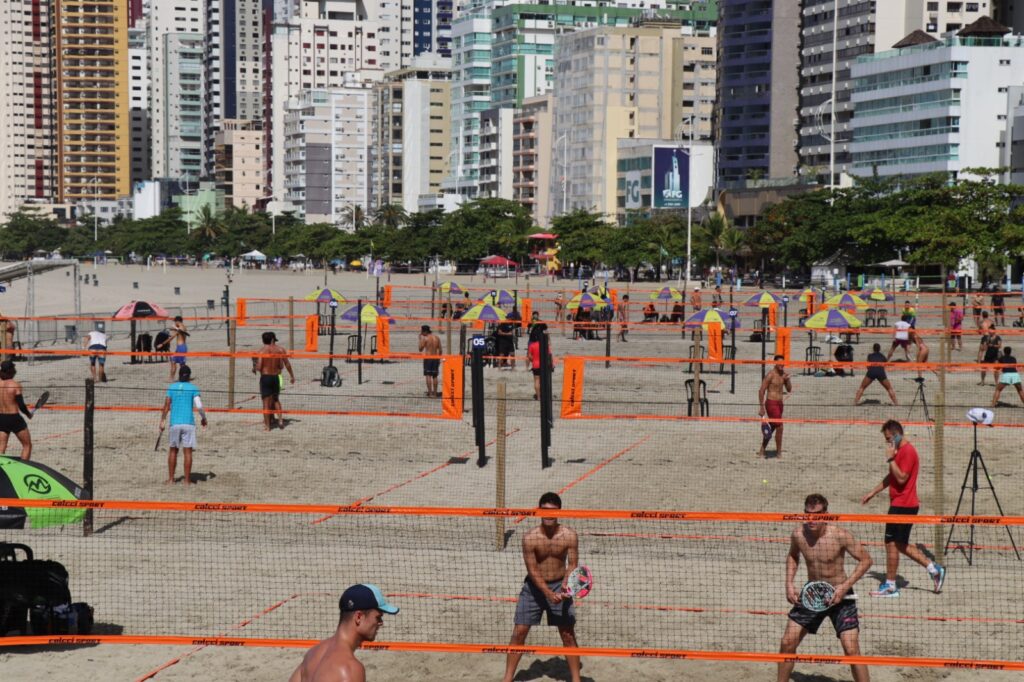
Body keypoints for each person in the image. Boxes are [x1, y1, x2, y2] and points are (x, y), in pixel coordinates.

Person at [777, 493, 873, 682]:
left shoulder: (839, 535)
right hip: (813, 594)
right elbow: (793, 556)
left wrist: (844, 587)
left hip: (841, 595)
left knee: (851, 648)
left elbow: (866, 560)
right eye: (807, 514)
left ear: (826, 514)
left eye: (817, 514)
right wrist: (789, 583)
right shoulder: (798, 534)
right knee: (787, 642)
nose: (811, 519)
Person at [861, 420, 945, 598]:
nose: (888, 443)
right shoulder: (900, 451)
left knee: (891, 544)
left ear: (898, 434)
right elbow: (892, 476)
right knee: (900, 544)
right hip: (902, 504)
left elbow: (901, 478)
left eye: (889, 439)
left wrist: (890, 458)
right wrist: (873, 492)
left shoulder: (907, 451)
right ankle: (934, 569)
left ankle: (891, 586)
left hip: (903, 505)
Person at [502, 492, 581, 682]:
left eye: (552, 511)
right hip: (534, 589)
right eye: (544, 510)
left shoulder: (569, 536)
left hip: (560, 586)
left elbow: (572, 565)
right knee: (519, 632)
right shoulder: (530, 538)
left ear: (559, 512)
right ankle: (507, 678)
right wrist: (547, 592)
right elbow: (532, 569)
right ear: (538, 511)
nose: (548, 514)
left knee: (568, 635)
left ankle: (576, 679)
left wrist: (565, 585)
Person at [289, 584, 399, 682]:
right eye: (378, 617)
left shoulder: (313, 653)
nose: (381, 623)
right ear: (359, 617)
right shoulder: (349, 669)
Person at [158, 364, 207, 485]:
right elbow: (199, 406)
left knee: (173, 450)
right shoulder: (193, 388)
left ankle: (171, 479)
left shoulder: (172, 387)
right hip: (188, 423)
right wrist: (203, 418)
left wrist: (162, 421)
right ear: (189, 376)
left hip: (175, 423)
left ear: (179, 375)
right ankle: (186, 480)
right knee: (188, 452)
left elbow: (166, 405)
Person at [253, 331, 295, 430]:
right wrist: (292, 376)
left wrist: (254, 367)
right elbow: (286, 364)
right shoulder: (280, 350)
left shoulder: (261, 351)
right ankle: (280, 420)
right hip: (276, 377)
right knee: (276, 399)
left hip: (266, 377)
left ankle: (267, 426)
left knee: (266, 403)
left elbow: (259, 367)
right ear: (272, 340)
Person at [758, 354, 792, 458]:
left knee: (772, 427)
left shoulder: (783, 375)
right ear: (775, 363)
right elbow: (761, 390)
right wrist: (762, 407)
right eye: (780, 363)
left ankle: (762, 450)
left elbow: (789, 389)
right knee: (780, 427)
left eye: (783, 363)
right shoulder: (770, 375)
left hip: (780, 404)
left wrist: (787, 380)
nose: (782, 365)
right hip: (771, 403)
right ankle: (779, 452)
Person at [0, 360, 34, 460]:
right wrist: (28, 414)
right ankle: (24, 467)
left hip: (1, 417)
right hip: (14, 418)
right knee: (27, 445)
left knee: (1, 448)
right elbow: (21, 406)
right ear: (11, 371)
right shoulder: (15, 385)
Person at [527, 324, 552, 400]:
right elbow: (549, 355)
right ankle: (544, 395)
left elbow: (529, 357)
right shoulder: (544, 345)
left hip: (535, 364)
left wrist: (533, 360)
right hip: (544, 364)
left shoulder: (532, 345)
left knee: (536, 381)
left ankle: (538, 397)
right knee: (544, 381)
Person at [418, 325, 442, 398]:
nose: (421, 333)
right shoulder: (437, 337)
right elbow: (440, 350)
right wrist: (438, 359)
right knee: (435, 376)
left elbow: (420, 349)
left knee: (428, 375)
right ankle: (435, 393)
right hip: (435, 358)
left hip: (428, 358)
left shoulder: (425, 338)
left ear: (425, 332)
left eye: (422, 331)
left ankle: (430, 393)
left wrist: (420, 339)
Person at [165, 316, 190, 380]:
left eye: (175, 322)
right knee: (173, 362)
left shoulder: (181, 327)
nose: (174, 323)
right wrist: (174, 328)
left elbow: (172, 337)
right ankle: (171, 378)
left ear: (177, 321)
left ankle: (185, 377)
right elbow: (172, 328)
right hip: (179, 348)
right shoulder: (179, 327)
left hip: (181, 348)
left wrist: (162, 344)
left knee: (182, 365)